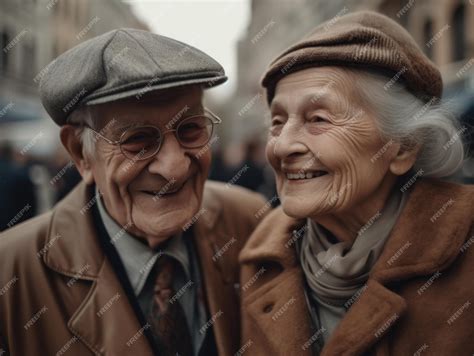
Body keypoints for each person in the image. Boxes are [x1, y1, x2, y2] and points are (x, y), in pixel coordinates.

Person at [0, 28, 267, 356]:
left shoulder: (249, 221)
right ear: (80, 153)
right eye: (138, 140)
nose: (174, 167)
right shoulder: (10, 273)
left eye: (191, 130)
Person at [239, 11, 474, 355]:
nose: (282, 145)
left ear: (404, 147)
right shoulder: (260, 255)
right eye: (277, 121)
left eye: (318, 119)